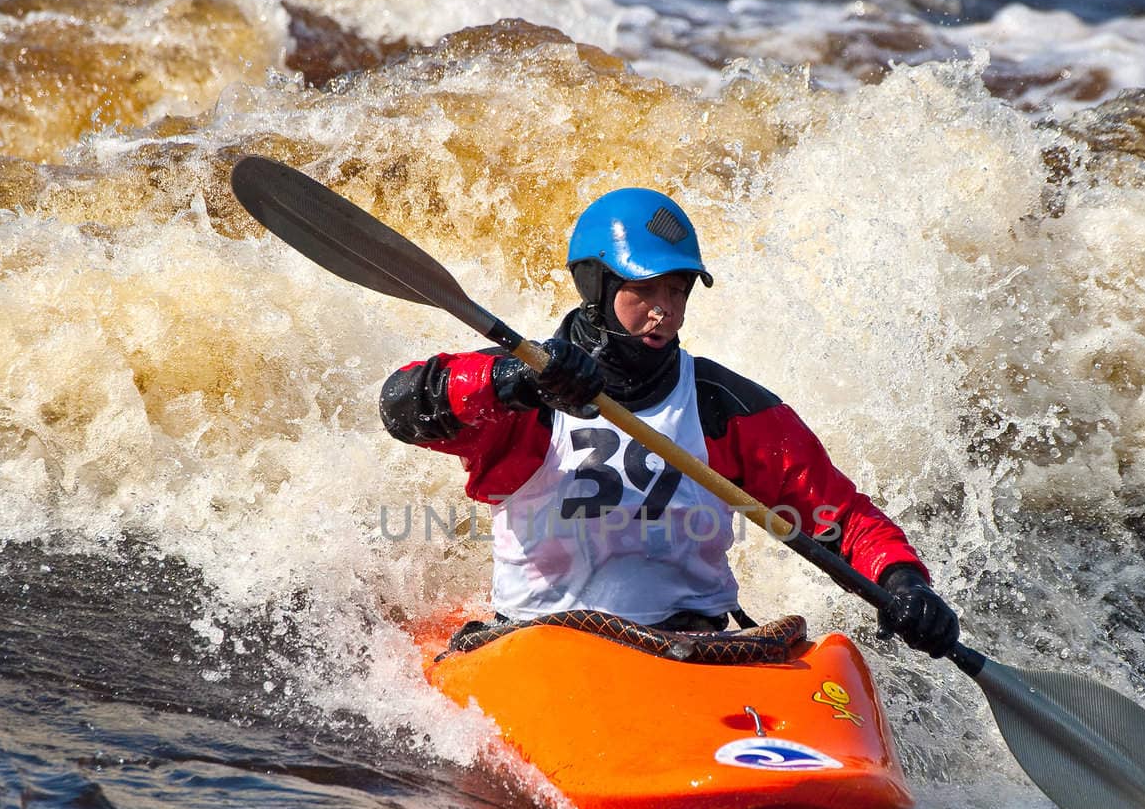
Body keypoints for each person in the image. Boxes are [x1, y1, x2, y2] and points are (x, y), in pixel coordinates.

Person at [378, 188, 959, 655]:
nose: (664, 309)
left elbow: (839, 516)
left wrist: (903, 582)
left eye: (677, 291)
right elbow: (402, 405)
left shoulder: (723, 406)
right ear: (597, 289)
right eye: (645, 289)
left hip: (695, 645)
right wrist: (512, 382)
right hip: (541, 645)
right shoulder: (521, 394)